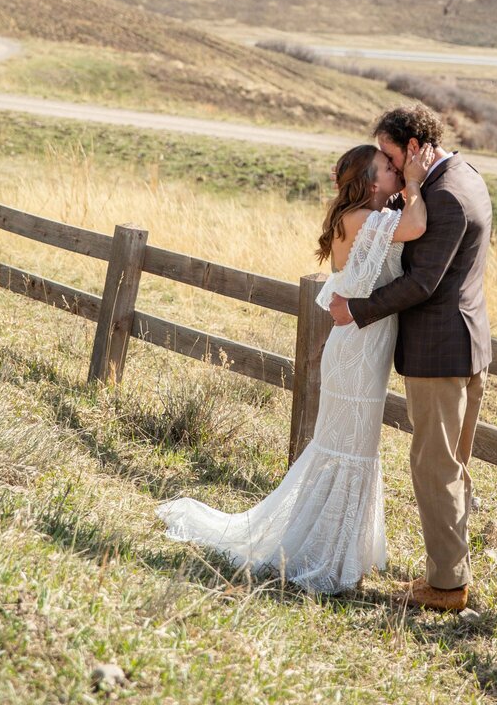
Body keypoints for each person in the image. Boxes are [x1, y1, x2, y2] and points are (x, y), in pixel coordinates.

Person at [156, 141, 432, 594]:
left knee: (352, 448)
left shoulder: (375, 219)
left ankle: (340, 548)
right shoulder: (360, 220)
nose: (395, 171)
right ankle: (327, 554)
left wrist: (407, 188)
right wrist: (418, 181)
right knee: (347, 450)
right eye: (387, 167)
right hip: (357, 350)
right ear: (368, 182)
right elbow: (418, 225)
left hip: (367, 346)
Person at [329, 104, 492, 612]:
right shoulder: (466, 174)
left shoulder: (444, 196)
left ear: (416, 148)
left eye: (392, 154)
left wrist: (356, 309)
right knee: (451, 463)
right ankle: (454, 571)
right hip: (465, 343)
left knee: (434, 465)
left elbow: (422, 283)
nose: (388, 164)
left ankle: (445, 586)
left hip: (439, 351)